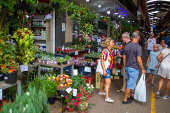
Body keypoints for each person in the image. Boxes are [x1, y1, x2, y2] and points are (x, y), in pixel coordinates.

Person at [122, 31, 146, 104]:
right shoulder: (138, 47)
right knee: (130, 84)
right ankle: (125, 99)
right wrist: (143, 69)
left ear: (132, 37)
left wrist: (125, 67)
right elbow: (139, 59)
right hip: (134, 68)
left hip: (128, 67)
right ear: (138, 38)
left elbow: (124, 57)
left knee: (129, 81)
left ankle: (128, 96)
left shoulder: (127, 46)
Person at [99, 38, 115, 102]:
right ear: (108, 43)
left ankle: (100, 91)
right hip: (106, 69)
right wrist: (104, 70)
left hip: (108, 68)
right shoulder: (106, 51)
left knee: (103, 80)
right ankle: (107, 97)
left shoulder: (110, 50)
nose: (113, 43)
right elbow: (102, 61)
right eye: (112, 42)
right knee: (108, 83)